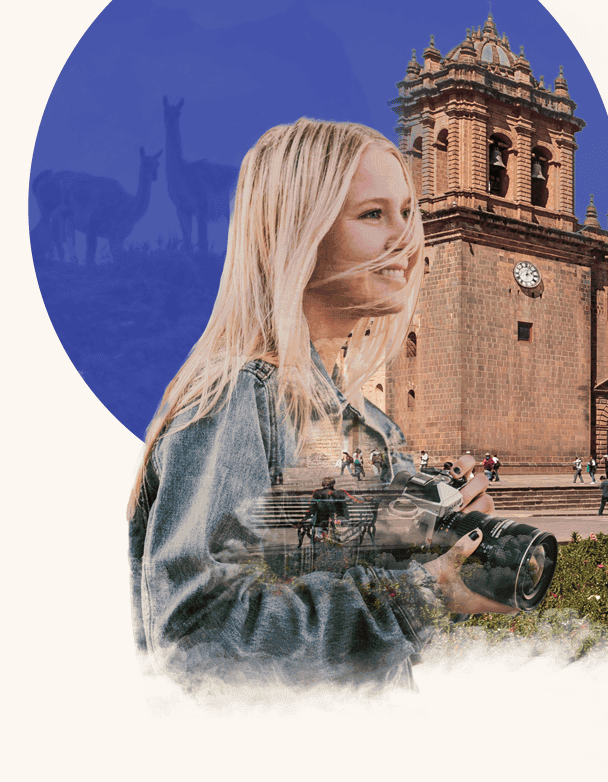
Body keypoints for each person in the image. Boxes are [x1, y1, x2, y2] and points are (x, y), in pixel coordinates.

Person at [127, 119, 514, 690]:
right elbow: (197, 635)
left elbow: (309, 575)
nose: (405, 240)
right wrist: (419, 597)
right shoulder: (237, 400)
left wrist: (423, 531)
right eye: (372, 214)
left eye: (408, 213)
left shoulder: (357, 420)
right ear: (297, 231)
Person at [308, 476, 349, 540]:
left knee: (320, 513)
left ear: (322, 484)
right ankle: (336, 536)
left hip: (320, 519)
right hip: (336, 519)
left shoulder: (317, 493)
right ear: (333, 484)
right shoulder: (339, 493)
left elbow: (312, 506)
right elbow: (345, 503)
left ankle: (320, 535)